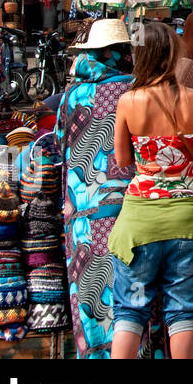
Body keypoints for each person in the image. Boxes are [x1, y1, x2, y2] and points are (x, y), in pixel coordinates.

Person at [108, 22, 193, 359]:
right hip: (188, 222)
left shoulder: (128, 102)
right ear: (172, 57)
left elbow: (123, 159)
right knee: (183, 313)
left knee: (130, 311)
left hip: (140, 223)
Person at [55, 19, 136, 358]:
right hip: (133, 210)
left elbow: (62, 147)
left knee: (91, 296)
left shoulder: (72, 97)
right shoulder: (137, 91)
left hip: (84, 217)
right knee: (132, 301)